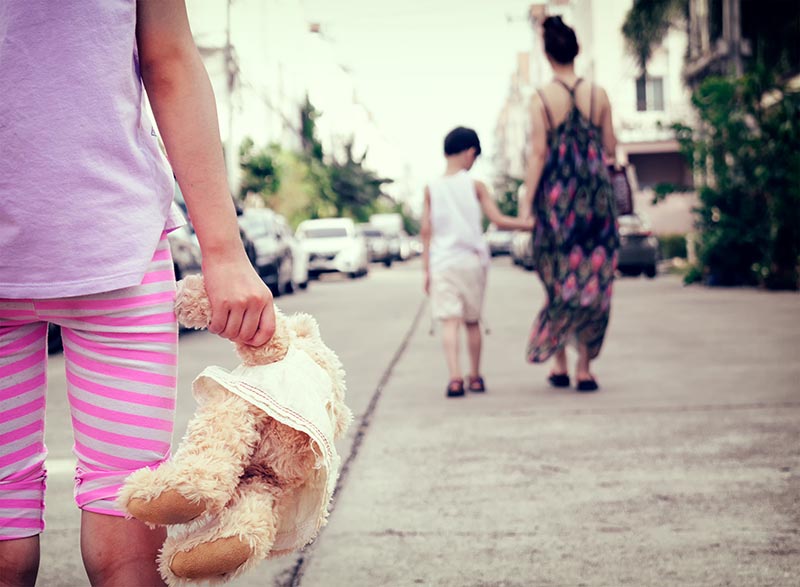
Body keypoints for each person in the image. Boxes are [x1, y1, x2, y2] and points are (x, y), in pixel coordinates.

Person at [0, 2, 276, 585]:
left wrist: (224, 249)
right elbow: (169, 61)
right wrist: (221, 250)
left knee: (129, 534)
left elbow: (170, 59)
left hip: (117, 254)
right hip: (115, 237)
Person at [518, 16, 620, 392]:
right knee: (594, 284)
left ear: (547, 54)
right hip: (597, 205)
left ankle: (557, 363)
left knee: (559, 283)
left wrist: (527, 205)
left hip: (557, 207)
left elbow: (538, 155)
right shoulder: (599, 95)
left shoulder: (541, 99)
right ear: (576, 50)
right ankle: (584, 369)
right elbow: (610, 148)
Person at [421, 127, 533, 398]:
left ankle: (455, 378)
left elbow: (426, 230)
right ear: (470, 152)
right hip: (471, 262)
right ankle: (475, 376)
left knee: (449, 322)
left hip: (442, 264)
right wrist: (529, 224)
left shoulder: (431, 188)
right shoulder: (475, 185)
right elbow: (498, 220)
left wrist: (426, 270)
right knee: (472, 322)